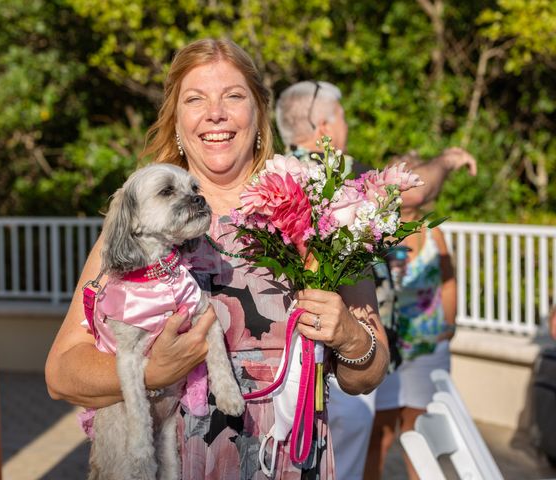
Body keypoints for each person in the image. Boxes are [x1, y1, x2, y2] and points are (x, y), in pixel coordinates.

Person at [45, 39, 390, 480]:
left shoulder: (322, 211)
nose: (215, 114)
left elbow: (369, 374)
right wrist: (153, 371)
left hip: (284, 463)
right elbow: (61, 373)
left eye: (233, 96)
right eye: (195, 99)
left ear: (258, 115)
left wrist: (350, 338)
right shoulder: (139, 227)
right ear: (176, 121)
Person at [274, 80, 475, 480]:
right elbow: (416, 192)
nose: (347, 126)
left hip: (287, 364)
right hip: (341, 357)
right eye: (344, 116)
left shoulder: (275, 177)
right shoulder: (341, 179)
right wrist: (448, 161)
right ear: (325, 127)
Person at [364, 153, 458, 480]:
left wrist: (448, 326)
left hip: (427, 348)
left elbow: (447, 282)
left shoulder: (434, 232)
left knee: (421, 432)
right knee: (381, 432)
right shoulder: (375, 232)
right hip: (388, 350)